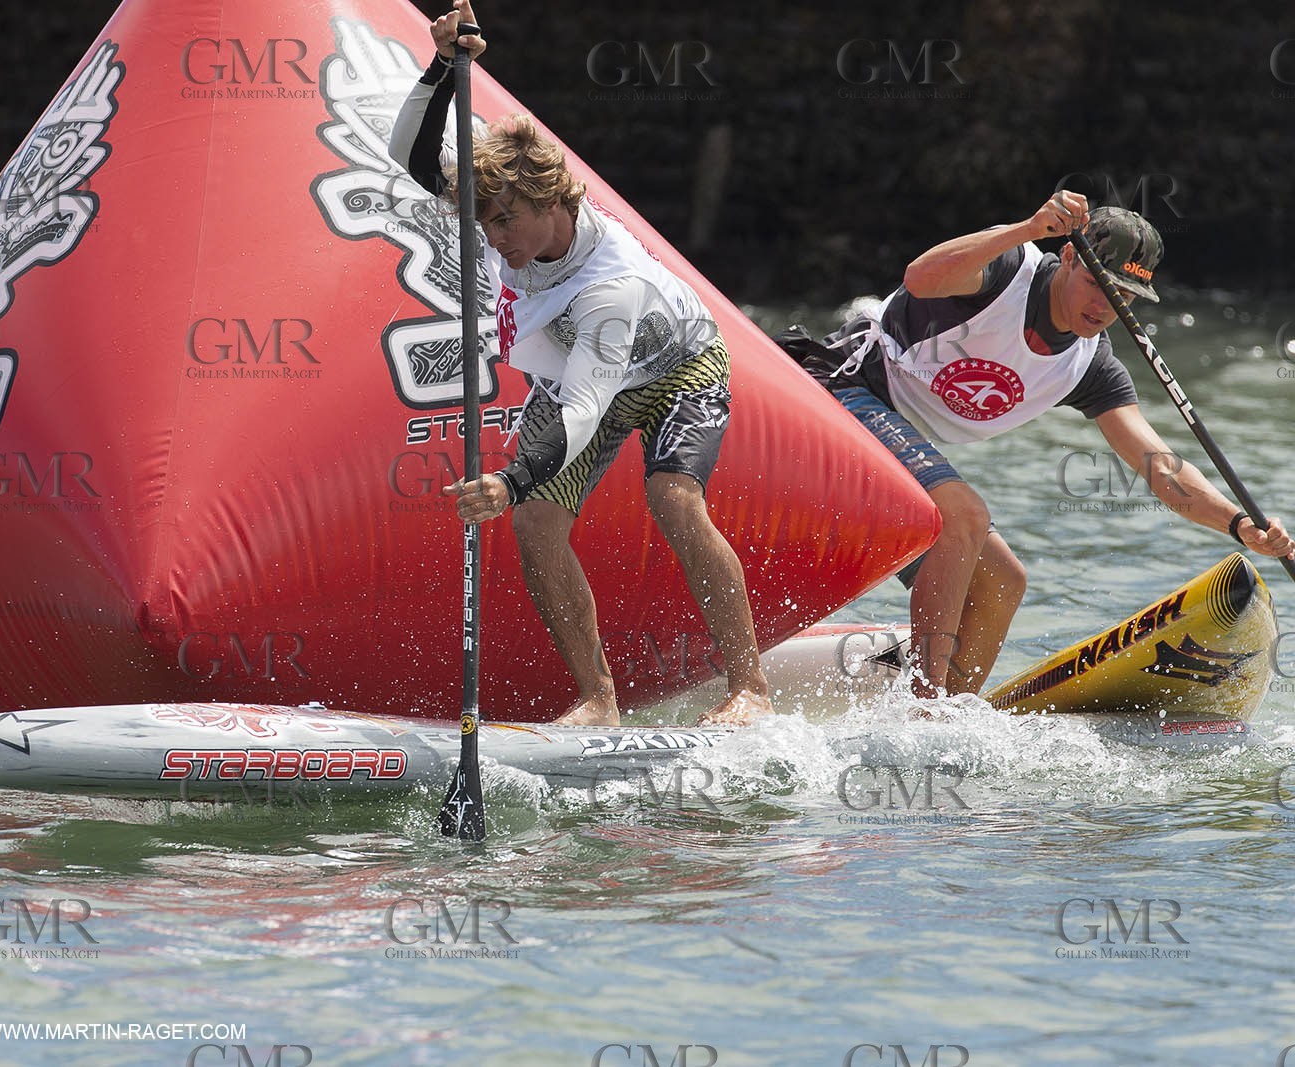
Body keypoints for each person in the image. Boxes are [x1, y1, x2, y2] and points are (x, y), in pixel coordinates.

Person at [388, 0, 773, 727]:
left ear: (550, 202)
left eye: (505, 222)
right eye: (484, 221)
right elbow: (410, 158)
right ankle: (599, 699)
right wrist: (441, 65)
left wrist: (508, 479)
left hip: (676, 369)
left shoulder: (609, 286)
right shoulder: (502, 201)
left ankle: (749, 686)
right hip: (579, 374)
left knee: (672, 498)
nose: (493, 237)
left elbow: (585, 408)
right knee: (536, 525)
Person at [776, 192, 1294, 698]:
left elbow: (1160, 467)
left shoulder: (1089, 365)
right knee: (964, 514)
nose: (1104, 305)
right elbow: (921, 277)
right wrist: (1026, 228)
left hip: (888, 439)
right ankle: (926, 708)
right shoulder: (1009, 269)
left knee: (1003, 581)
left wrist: (1238, 524)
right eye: (1095, 283)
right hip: (840, 390)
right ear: (1068, 257)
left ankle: (953, 713)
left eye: (1122, 295)